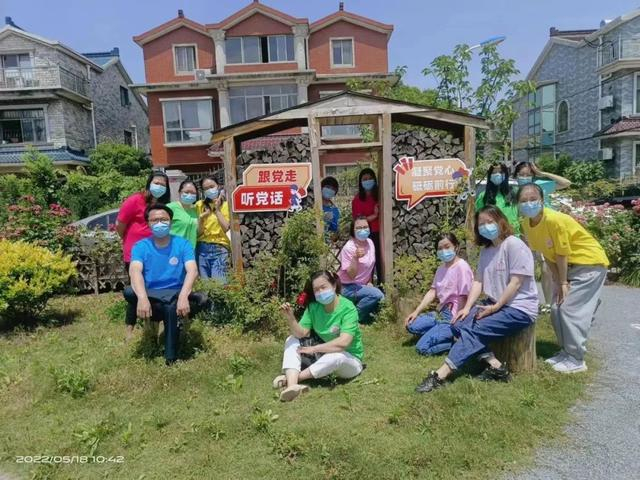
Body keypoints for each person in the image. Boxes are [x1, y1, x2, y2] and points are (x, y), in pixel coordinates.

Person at [416, 206, 539, 393]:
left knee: (474, 329)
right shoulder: (486, 251)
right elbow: (478, 281)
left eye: (490, 221)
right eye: (481, 224)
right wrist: (467, 308)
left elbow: (515, 283)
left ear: (501, 221)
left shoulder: (514, 244)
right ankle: (496, 366)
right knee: (458, 323)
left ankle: (440, 375)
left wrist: (496, 307)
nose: (486, 226)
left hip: (518, 308)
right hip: (494, 303)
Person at [518, 183, 608, 373]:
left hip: (589, 264)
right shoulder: (526, 224)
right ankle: (566, 351)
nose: (529, 203)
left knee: (569, 309)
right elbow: (546, 253)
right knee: (556, 308)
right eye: (523, 200)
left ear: (542, 200)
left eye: (533, 199)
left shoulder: (554, 220)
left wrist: (563, 282)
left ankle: (576, 359)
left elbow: (561, 253)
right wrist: (558, 280)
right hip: (567, 267)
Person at [123, 204, 208, 365]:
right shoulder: (141, 246)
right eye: (155, 220)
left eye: (164, 219)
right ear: (148, 223)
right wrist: (142, 298)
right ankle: (153, 334)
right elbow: (135, 271)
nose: (159, 223)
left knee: (172, 306)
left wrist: (183, 296)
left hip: (175, 294)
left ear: (171, 222)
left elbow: (192, 270)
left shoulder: (182, 244)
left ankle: (171, 358)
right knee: (129, 292)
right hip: (151, 296)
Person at [273, 271, 364, 402]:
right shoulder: (313, 307)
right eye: (316, 290)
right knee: (291, 340)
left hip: (350, 360)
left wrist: (315, 349)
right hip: (325, 354)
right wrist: (291, 318)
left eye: (323, 287)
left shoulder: (348, 308)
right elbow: (300, 334)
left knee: (336, 356)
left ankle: (293, 378)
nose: (320, 292)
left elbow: (343, 343)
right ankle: (292, 386)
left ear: (334, 286)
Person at [116, 171, 170, 340]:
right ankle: (129, 330)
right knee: (136, 292)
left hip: (156, 255)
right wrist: (129, 241)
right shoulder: (135, 200)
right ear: (149, 183)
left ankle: (152, 326)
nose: (159, 187)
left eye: (163, 185)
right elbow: (120, 225)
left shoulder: (163, 205)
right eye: (156, 183)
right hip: (135, 255)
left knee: (155, 291)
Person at [514, 161, 572, 312]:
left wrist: (542, 174)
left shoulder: (540, 186)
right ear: (516, 176)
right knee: (527, 268)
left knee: (546, 267)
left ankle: (549, 303)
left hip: (547, 230)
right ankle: (532, 301)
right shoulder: (514, 191)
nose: (525, 177)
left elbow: (566, 183)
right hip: (527, 232)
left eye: (528, 174)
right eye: (521, 174)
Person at [404, 233, 474, 356]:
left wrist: (457, 322)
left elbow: (464, 296)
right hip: (440, 312)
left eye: (447, 247)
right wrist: (416, 311)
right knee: (411, 325)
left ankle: (454, 342)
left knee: (421, 348)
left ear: (456, 247)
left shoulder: (462, 266)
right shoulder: (441, 268)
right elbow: (433, 291)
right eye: (440, 248)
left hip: (452, 316)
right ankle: (438, 332)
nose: (443, 251)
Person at [338, 216, 385, 324]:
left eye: (365, 227)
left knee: (381, 299)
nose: (363, 230)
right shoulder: (349, 248)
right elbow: (351, 275)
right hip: (347, 286)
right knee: (377, 295)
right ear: (353, 230)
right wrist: (355, 258)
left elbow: (370, 266)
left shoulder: (370, 243)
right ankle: (353, 318)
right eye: (359, 228)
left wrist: (369, 282)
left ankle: (359, 314)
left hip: (361, 285)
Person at [195, 175, 231, 282]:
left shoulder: (226, 205)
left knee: (220, 284)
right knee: (205, 286)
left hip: (220, 248)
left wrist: (217, 210)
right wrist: (202, 218)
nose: (209, 190)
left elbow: (226, 228)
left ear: (218, 186)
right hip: (202, 249)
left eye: (212, 186)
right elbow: (198, 232)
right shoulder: (199, 205)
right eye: (206, 188)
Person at [352, 168, 382, 284]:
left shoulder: (379, 196)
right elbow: (358, 220)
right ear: (360, 182)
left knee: (379, 260)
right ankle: (367, 284)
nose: (368, 181)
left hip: (380, 233)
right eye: (365, 179)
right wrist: (374, 215)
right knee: (366, 260)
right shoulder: (357, 200)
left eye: (370, 178)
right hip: (365, 234)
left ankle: (381, 285)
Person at [475, 163, 520, 236]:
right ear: (490, 176)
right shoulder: (483, 197)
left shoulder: (513, 194)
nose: (497, 174)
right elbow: (479, 219)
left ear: (506, 174)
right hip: (494, 238)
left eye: (501, 172)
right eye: (494, 172)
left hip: (513, 236)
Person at [167, 180, 200, 248]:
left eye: (193, 193)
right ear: (179, 192)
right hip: (173, 249)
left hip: (190, 251)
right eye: (186, 192)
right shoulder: (170, 208)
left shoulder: (196, 210)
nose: (189, 195)